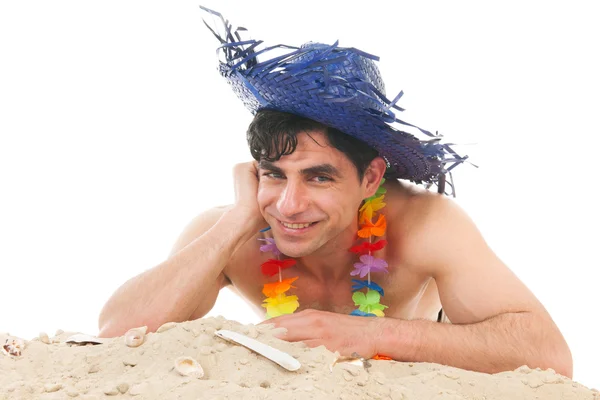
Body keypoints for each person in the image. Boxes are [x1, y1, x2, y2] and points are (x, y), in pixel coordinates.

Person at [98, 7, 572, 377]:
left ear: (371, 179)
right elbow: (116, 333)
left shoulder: (429, 224)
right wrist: (239, 219)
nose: (288, 205)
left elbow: (548, 354)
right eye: (275, 174)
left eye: (319, 177)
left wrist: (368, 335)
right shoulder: (231, 227)